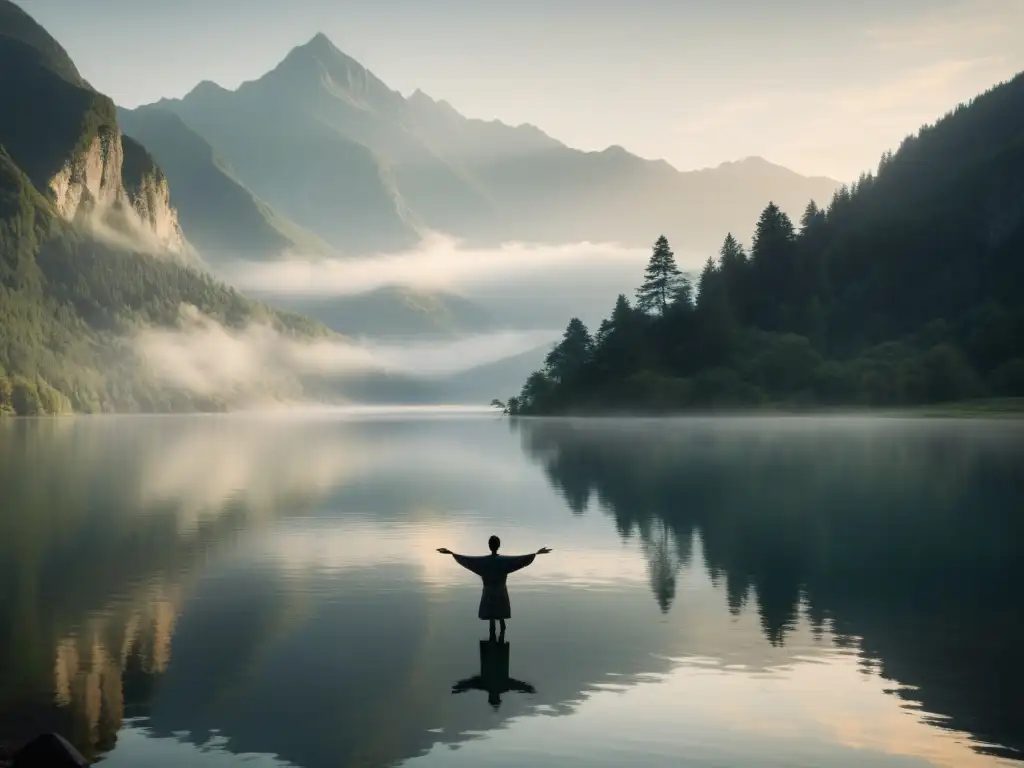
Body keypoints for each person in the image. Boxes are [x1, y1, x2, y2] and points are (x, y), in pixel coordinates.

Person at [437, 535, 551, 639]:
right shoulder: (504, 561)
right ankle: (501, 643)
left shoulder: (483, 562)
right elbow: (521, 560)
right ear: (499, 546)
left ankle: (493, 649)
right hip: (501, 593)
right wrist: (537, 553)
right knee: (501, 622)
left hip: (488, 593)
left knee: (491, 622)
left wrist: (451, 553)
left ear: (489, 546)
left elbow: (467, 560)